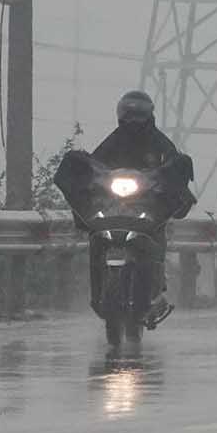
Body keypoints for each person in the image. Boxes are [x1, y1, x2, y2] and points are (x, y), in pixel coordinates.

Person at [85, 91, 191, 327]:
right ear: (121, 115)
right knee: (95, 237)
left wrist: (173, 172)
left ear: (148, 116)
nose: (133, 121)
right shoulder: (113, 140)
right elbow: (95, 162)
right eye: (129, 115)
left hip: (147, 202)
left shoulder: (158, 140)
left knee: (158, 230)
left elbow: (174, 161)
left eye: (138, 116)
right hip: (116, 202)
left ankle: (157, 287)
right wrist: (88, 171)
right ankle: (98, 290)